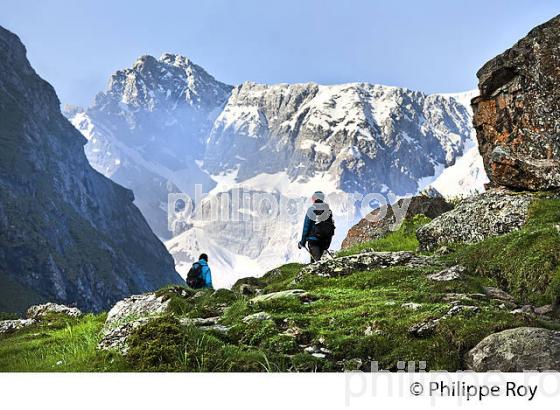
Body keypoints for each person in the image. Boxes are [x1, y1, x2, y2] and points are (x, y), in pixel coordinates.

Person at [298, 191, 335, 262]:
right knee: (321, 262)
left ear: (314, 198)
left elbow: (306, 228)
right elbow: (330, 225)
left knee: (316, 263)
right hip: (324, 241)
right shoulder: (328, 210)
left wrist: (302, 242)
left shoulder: (311, 210)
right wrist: (327, 243)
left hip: (313, 240)